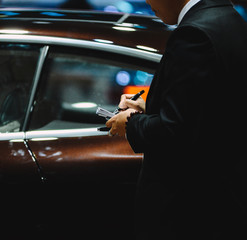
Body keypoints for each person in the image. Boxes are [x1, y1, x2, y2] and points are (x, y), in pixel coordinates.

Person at [106, 0, 247, 239]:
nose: (147, 1)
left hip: (191, 210)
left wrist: (129, 122)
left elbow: (175, 131)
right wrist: (148, 106)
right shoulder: (230, 18)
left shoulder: (193, 34)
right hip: (226, 197)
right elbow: (208, 109)